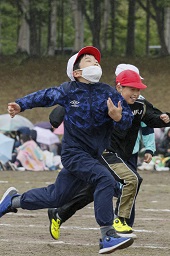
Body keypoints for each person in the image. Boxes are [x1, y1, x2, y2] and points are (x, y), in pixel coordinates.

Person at [0, 46, 134, 254]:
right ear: (77, 72)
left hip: (92, 156)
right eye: (89, 60)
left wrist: (118, 118)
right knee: (105, 178)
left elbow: (126, 122)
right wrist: (20, 105)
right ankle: (107, 234)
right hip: (74, 154)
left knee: (56, 197)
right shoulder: (68, 90)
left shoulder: (108, 92)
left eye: (96, 61)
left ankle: (13, 201)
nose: (96, 63)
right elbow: (44, 96)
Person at [47, 65, 170, 240]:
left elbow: (154, 119)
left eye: (138, 87)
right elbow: (73, 102)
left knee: (100, 190)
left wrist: (165, 119)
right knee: (129, 181)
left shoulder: (140, 104)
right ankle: (119, 223)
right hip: (104, 153)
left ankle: (60, 213)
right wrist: (57, 117)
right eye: (132, 87)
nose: (136, 92)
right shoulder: (103, 99)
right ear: (119, 86)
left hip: (125, 156)